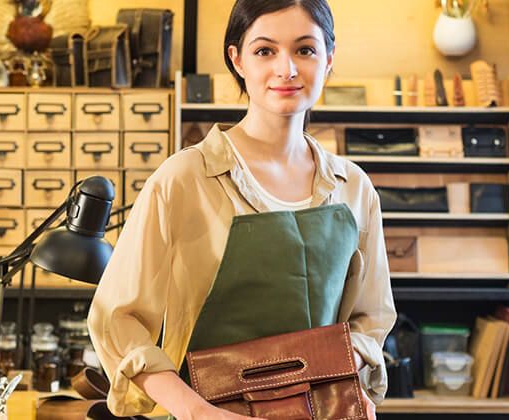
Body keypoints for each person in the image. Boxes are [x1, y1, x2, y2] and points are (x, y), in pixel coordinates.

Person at [87, 0, 396, 418]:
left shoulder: (353, 188)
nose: (286, 69)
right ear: (237, 59)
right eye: (265, 50)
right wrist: (197, 411)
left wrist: (340, 384)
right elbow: (118, 320)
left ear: (329, 59)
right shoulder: (184, 179)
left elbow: (370, 319)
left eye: (305, 50)